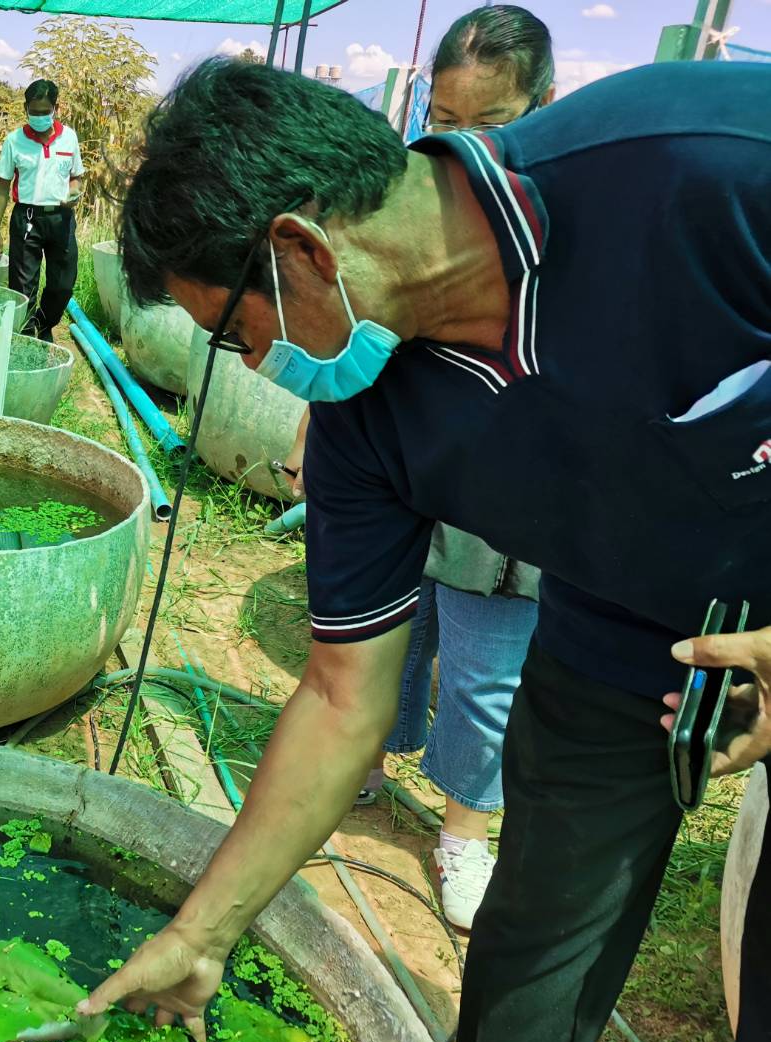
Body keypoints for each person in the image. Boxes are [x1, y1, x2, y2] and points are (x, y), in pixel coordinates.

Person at [78, 55, 771, 1042]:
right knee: (532, 950)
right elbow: (339, 696)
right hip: (614, 633)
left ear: (301, 252)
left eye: (237, 334)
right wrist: (199, 931)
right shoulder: (363, 424)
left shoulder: (705, 159)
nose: (256, 367)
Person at [281, 4, 557, 932]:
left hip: (510, 496)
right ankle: (353, 768)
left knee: (485, 672)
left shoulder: (569, 212)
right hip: (402, 475)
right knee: (387, 642)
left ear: (540, 106)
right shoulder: (403, 193)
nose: (462, 143)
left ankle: (464, 835)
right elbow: (352, 333)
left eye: (489, 123)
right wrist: (312, 433)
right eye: (444, 120)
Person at [0, 80, 84, 343]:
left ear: (56, 108)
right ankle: (27, 335)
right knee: (22, 287)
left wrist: (74, 193)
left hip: (61, 219)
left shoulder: (69, 137)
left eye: (46, 111)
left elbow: (76, 177)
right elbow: (2, 187)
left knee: (63, 284)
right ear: (26, 108)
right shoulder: (14, 141)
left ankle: (45, 323)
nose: (40, 117)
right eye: (35, 111)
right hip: (26, 219)